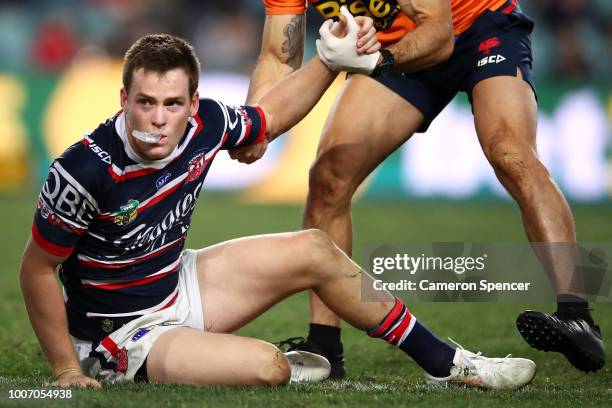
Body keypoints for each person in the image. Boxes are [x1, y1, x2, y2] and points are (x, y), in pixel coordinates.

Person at [20, 33, 537, 390]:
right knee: (269, 368)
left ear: (193, 103)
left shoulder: (207, 124)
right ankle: (151, 362)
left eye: (172, 104)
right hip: (122, 333)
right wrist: (66, 369)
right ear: (123, 98)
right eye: (145, 102)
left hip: (177, 281)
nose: (158, 119)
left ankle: (447, 364)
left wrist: (330, 60)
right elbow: (37, 270)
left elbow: (268, 118)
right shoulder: (83, 169)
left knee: (316, 248)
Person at [234, 0, 605, 377]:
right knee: (329, 177)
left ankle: (576, 316)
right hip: (392, 50)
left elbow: (439, 34)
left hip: (478, 27)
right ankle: (324, 348)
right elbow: (277, 57)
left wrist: (380, 61)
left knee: (513, 155)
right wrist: (253, 124)